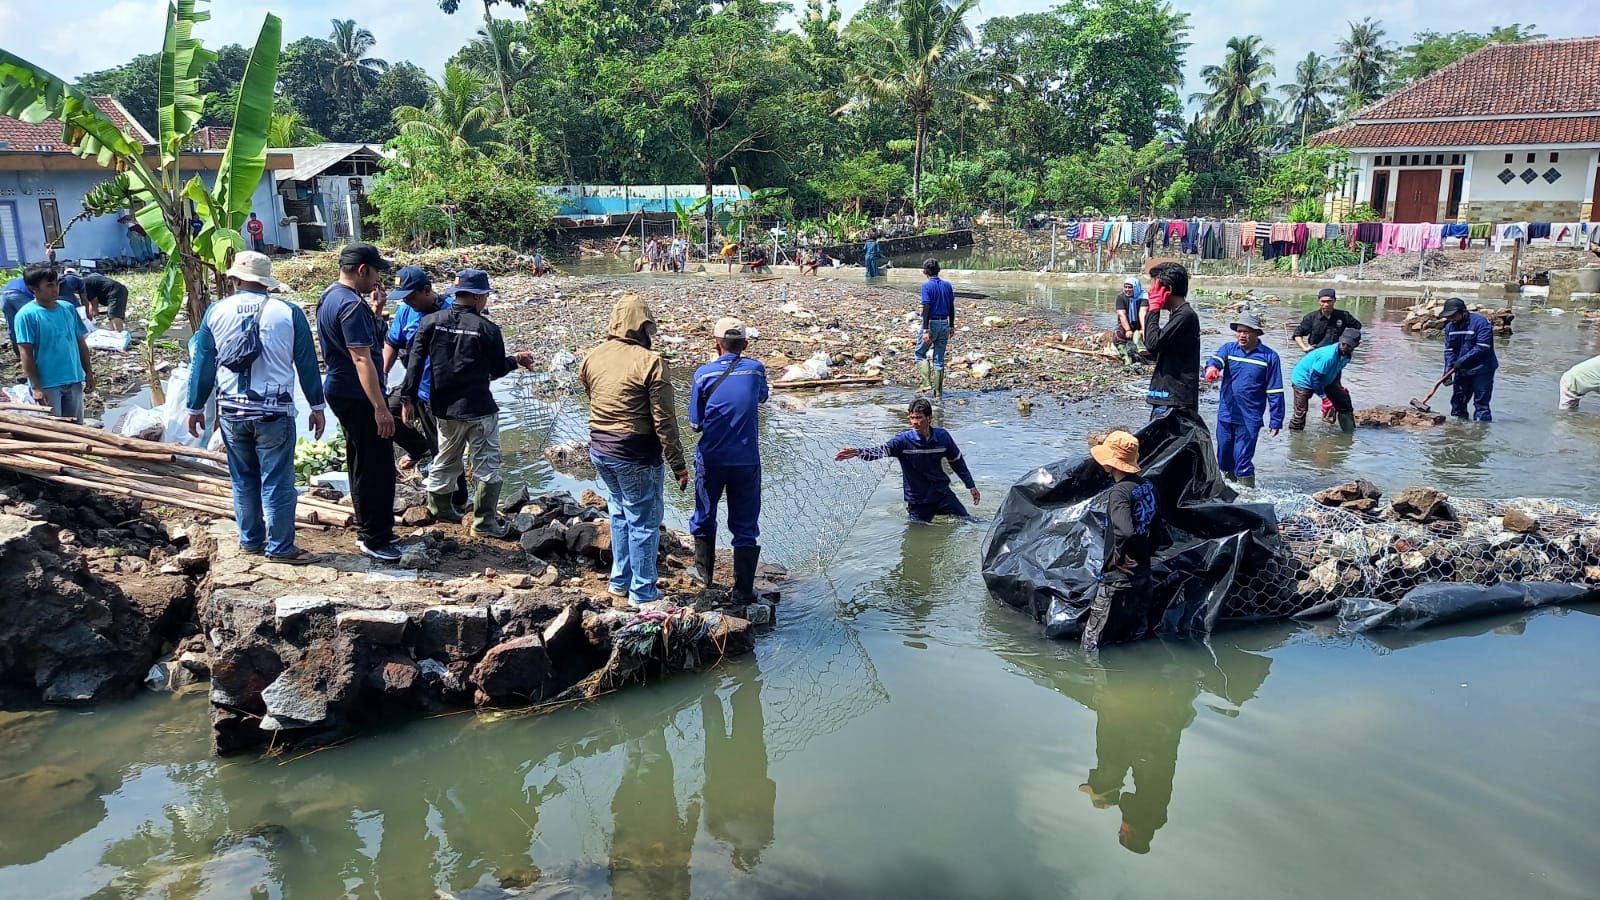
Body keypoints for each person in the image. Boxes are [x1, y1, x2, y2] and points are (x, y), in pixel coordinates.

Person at [185, 251, 326, 563]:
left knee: (243, 478)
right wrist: (317, 406)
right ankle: (280, 547)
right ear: (267, 282)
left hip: (232, 411)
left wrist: (194, 407)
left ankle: (250, 541)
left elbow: (202, 365)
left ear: (234, 279)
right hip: (275, 411)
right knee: (276, 480)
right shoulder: (288, 313)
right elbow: (306, 364)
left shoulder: (215, 312)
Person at [403, 269, 535, 537]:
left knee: (446, 456)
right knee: (487, 463)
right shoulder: (487, 329)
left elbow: (414, 364)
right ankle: (484, 522)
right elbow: (497, 369)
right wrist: (515, 361)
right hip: (479, 409)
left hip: (444, 408)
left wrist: (408, 399)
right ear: (478, 297)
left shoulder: (430, 322)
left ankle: (440, 509)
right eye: (485, 296)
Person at [580, 294, 688, 606]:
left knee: (619, 513)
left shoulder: (593, 356)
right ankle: (643, 593)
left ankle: (618, 583)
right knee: (643, 520)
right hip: (635, 454)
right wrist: (678, 465)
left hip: (600, 449)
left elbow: (593, 396)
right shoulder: (650, 362)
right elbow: (664, 421)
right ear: (642, 327)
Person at [316, 242, 404, 562]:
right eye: (376, 270)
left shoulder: (331, 297)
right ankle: (375, 538)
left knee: (361, 458)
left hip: (341, 389)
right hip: (358, 393)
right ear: (362, 270)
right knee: (376, 465)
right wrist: (381, 408)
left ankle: (372, 529)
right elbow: (362, 360)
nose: (378, 277)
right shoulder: (350, 305)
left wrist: (377, 310)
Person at [685, 317, 769, 600]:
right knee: (745, 525)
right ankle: (743, 591)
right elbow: (761, 398)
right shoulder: (756, 370)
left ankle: (703, 575)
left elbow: (695, 423)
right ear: (745, 345)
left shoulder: (702, 374)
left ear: (715, 344)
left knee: (705, 514)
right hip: (746, 460)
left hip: (712, 459)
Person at [834, 398, 980, 522]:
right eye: (912, 418)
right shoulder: (903, 441)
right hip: (918, 501)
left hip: (942, 495)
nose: (914, 422)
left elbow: (957, 462)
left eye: (919, 417)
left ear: (929, 418)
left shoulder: (942, 437)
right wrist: (857, 452)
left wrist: (971, 485)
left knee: (969, 522)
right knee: (916, 535)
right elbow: (880, 452)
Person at [1082, 431, 1161, 653]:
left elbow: (1124, 531)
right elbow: (1157, 530)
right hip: (1143, 575)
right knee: (1134, 637)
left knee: (1092, 643)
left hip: (1117, 580)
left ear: (1111, 463)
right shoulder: (1148, 486)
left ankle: (1094, 683)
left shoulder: (1118, 493)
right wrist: (1144, 555)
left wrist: (1118, 557)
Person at [1203, 313, 1284, 487]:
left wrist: (1276, 420)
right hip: (1226, 413)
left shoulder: (1270, 357)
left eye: (1246, 332)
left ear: (1257, 333)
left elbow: (1275, 390)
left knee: (1242, 459)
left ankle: (1248, 497)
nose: (1242, 335)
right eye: (1239, 331)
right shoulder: (1229, 349)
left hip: (1250, 419)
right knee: (1223, 457)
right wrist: (1211, 369)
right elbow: (1215, 360)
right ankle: (1228, 492)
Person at [12, 266, 95, 421]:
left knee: (76, 427)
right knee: (55, 429)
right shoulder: (26, 315)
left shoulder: (68, 308)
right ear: (33, 288)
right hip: (48, 383)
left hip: (73, 377)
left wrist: (88, 372)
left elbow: (80, 343)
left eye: (56, 284)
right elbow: (26, 353)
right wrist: (36, 387)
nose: (55, 289)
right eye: (49, 286)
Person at [1140, 261, 1200, 420]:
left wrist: (1154, 309)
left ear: (1168, 290)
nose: (1150, 293)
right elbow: (1151, 343)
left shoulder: (1185, 316)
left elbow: (1153, 344)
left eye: (1154, 289)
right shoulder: (1178, 316)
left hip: (1175, 401)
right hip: (1166, 396)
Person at [1294, 288, 1361, 419]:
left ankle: (1328, 414)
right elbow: (1297, 334)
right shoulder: (1311, 318)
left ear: (1334, 301)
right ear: (1319, 302)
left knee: (1334, 388)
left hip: (1337, 357)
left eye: (1329, 301)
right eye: (1323, 301)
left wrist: (1348, 340)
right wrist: (1304, 348)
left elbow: (1357, 327)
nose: (1326, 304)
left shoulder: (1343, 316)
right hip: (1316, 358)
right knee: (1313, 384)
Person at [1289, 329, 1360, 433]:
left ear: (1355, 346)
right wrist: (1324, 399)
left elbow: (1337, 369)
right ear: (1340, 340)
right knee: (1300, 413)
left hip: (1325, 378)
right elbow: (1314, 378)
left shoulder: (1347, 355)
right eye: (1343, 343)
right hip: (1303, 380)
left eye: (1348, 345)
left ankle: (1349, 434)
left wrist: (1338, 386)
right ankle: (1296, 438)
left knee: (1344, 402)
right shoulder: (1328, 356)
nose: (1344, 347)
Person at [1441, 296, 1498, 422]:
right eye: (1449, 316)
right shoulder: (1450, 327)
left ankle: (1480, 431)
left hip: (1482, 369)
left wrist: (1462, 360)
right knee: (1458, 402)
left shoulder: (1481, 323)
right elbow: (1449, 350)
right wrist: (1447, 370)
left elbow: (1482, 347)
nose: (1451, 319)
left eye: (1453, 316)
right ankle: (1457, 432)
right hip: (1462, 369)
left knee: (1481, 404)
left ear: (1463, 312)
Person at [915, 257, 956, 400]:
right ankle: (938, 395)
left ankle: (926, 383)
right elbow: (951, 307)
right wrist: (951, 325)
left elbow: (926, 307)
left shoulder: (926, 286)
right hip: (944, 323)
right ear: (938, 270)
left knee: (920, 353)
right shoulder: (947, 285)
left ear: (925, 272)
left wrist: (925, 330)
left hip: (931, 323)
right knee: (938, 360)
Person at [1112, 277, 1148, 366]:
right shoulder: (1120, 297)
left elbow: (1142, 313)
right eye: (1126, 287)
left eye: (1130, 287)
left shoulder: (1144, 296)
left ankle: (1142, 349)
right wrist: (1127, 330)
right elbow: (1121, 314)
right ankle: (1126, 359)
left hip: (1140, 323)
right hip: (1126, 323)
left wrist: (1143, 329)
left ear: (1136, 288)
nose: (1127, 290)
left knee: (1141, 335)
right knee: (1117, 334)